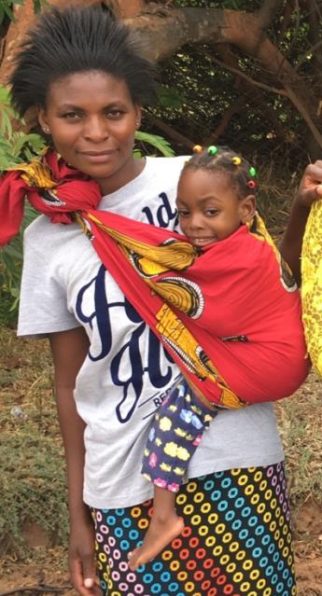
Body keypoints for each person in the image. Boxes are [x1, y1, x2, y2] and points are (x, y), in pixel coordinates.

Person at [1, 3, 321, 595]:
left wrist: (305, 204)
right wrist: (78, 514)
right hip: (122, 478)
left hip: (235, 457)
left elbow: (264, 281)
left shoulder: (196, 185)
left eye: (114, 112)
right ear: (43, 119)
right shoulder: (51, 237)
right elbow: (70, 384)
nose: (97, 132)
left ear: (137, 113)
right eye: (73, 114)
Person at [106, 145, 308, 570]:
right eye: (183, 212)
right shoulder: (241, 245)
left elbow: (212, 309)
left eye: (210, 212)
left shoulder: (244, 256)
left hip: (270, 365)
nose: (194, 225)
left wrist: (142, 269)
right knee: (192, 401)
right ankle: (164, 513)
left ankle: (163, 515)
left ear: (247, 209)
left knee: (178, 411)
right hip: (271, 359)